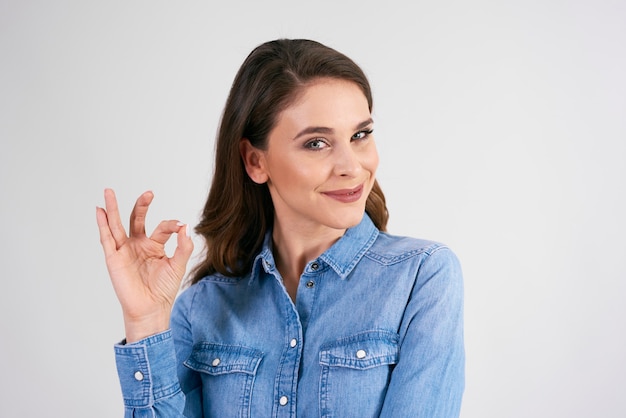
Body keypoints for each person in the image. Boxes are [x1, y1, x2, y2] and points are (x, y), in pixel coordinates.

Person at [96, 38, 464, 417]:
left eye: (360, 135)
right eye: (317, 143)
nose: (350, 166)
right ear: (256, 161)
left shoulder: (422, 276)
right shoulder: (201, 308)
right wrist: (145, 322)